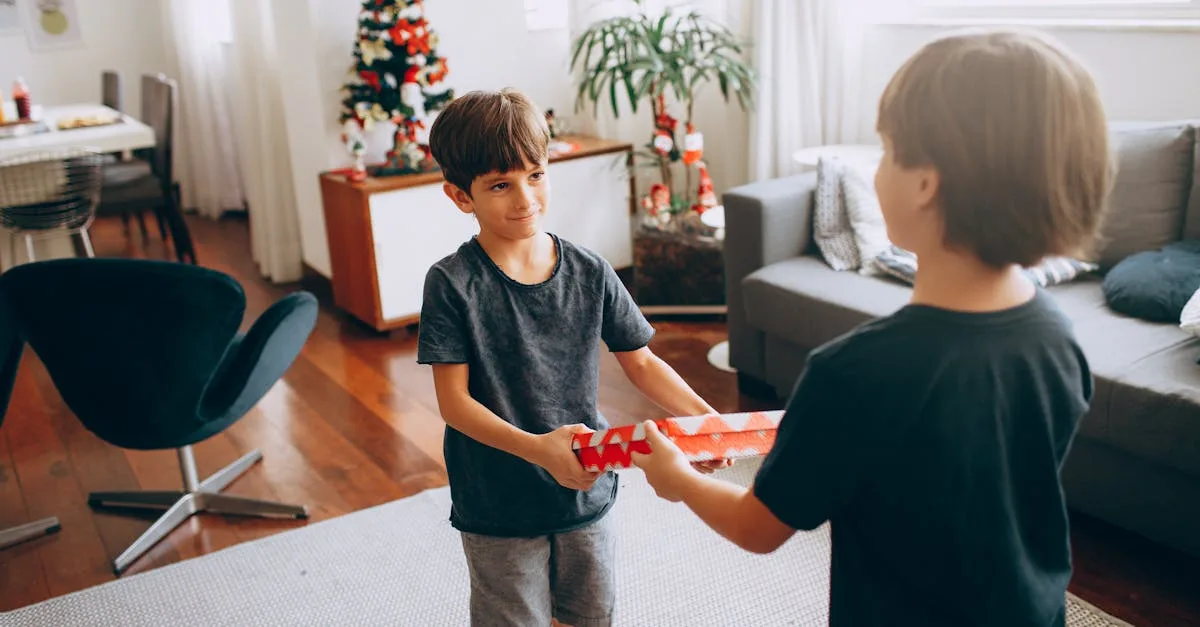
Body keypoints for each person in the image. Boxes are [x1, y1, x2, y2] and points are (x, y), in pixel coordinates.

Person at [631, 28, 1114, 627]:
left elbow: (756, 528)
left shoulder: (852, 373)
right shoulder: (1059, 337)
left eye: (885, 151)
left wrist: (678, 480)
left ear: (925, 182)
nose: (878, 168)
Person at [417, 87, 729, 627]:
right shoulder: (450, 284)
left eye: (535, 176)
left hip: (587, 486)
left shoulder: (589, 269)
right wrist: (539, 450)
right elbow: (454, 404)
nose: (525, 200)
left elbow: (643, 362)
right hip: (497, 500)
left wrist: (705, 419)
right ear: (460, 196)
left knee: (592, 615)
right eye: (500, 185)